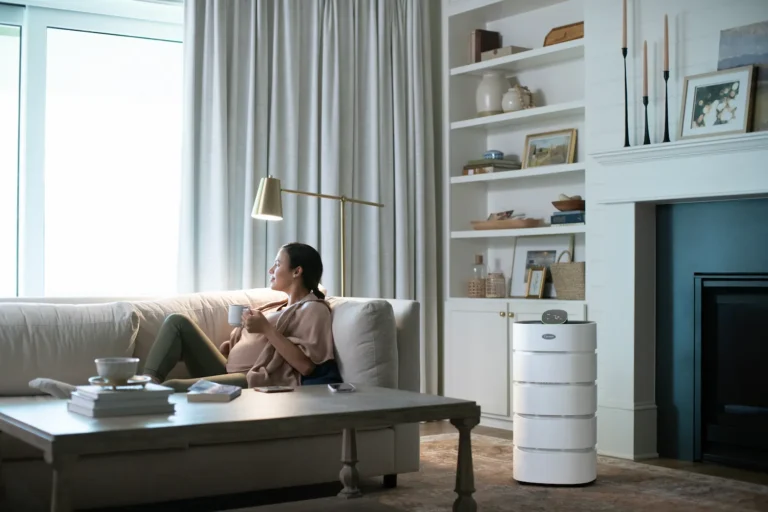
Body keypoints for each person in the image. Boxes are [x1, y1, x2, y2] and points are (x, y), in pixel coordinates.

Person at [142, 242, 342, 391]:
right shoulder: (277, 306)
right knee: (177, 322)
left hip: (251, 380)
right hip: (227, 370)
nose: (271, 270)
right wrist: (232, 346)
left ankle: (147, 397)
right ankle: (145, 383)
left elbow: (306, 367)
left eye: (277, 264)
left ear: (297, 271)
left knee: (173, 387)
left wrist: (266, 329)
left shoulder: (314, 309)